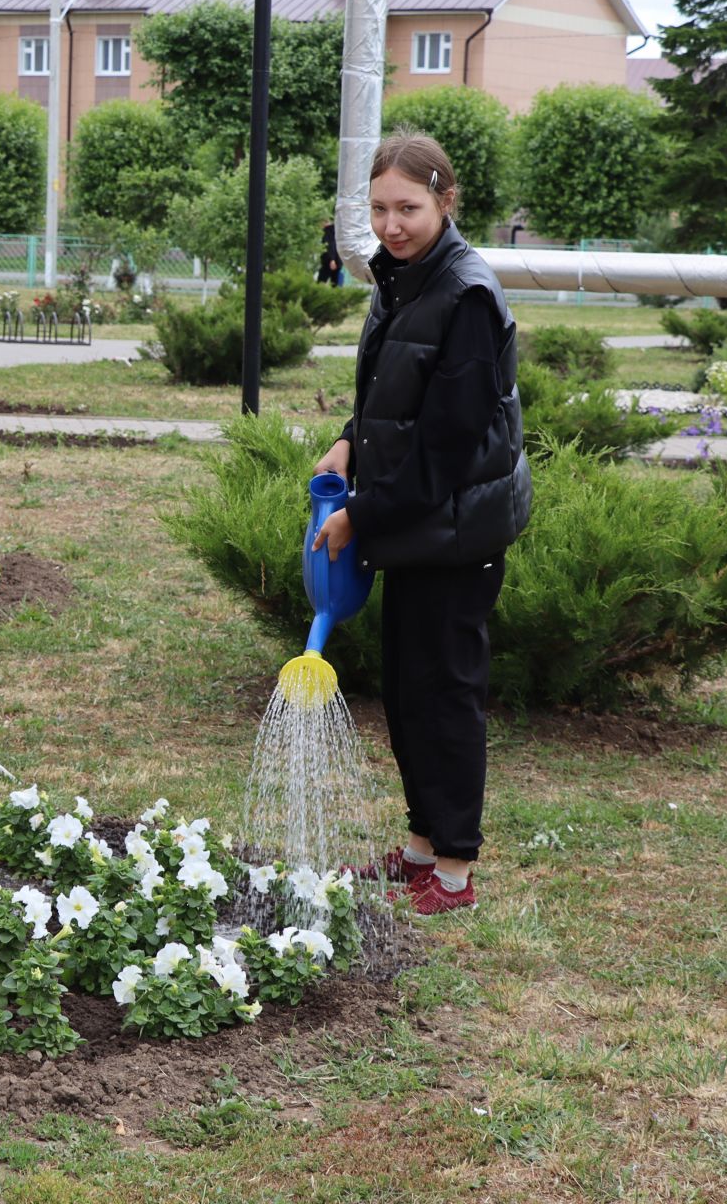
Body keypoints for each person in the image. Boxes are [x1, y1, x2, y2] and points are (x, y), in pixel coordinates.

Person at [312, 130, 531, 915]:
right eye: (378, 208)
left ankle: (455, 873)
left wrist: (361, 516)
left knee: (447, 695)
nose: (391, 223)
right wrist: (347, 439)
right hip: (419, 524)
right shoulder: (401, 275)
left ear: (445, 199)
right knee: (408, 691)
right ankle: (419, 849)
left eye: (407, 207)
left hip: (459, 527)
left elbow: (444, 447)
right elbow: (390, 392)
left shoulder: (467, 294)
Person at [316, 219, 343, 287]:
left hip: (329, 261)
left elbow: (331, 245)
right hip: (338, 260)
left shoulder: (328, 230)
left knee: (320, 283)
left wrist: (332, 259)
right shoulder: (337, 230)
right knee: (334, 284)